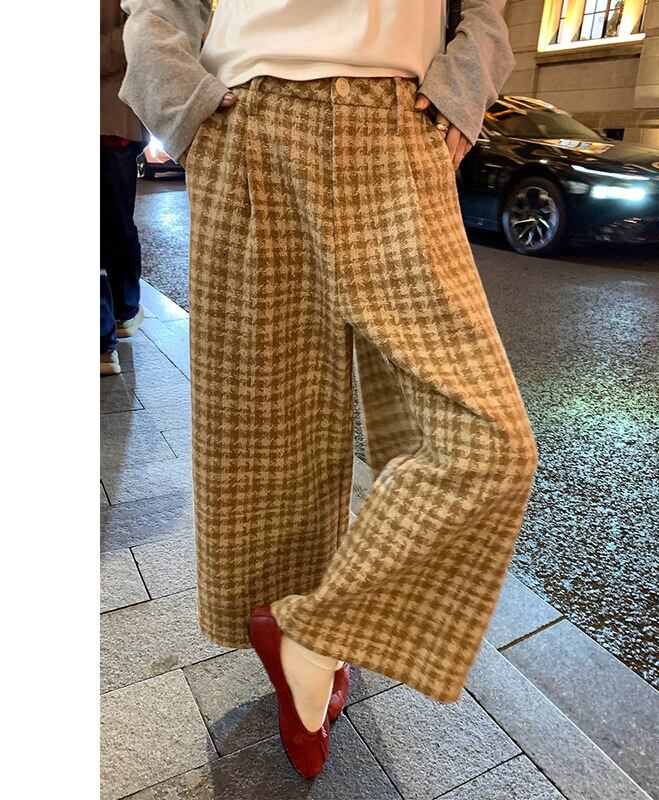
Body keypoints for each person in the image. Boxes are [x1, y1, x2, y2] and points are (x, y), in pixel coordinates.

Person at [119, 0, 538, 777]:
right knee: (276, 439)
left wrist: (465, 84)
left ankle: (310, 634)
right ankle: (307, 662)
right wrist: (182, 100)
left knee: (489, 441)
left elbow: (487, 6)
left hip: (397, 121)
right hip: (247, 121)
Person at [100, 0, 146, 375]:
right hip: (113, 125)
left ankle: (122, 314)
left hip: (115, 128)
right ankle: (113, 324)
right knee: (115, 227)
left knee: (117, 227)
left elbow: (130, 46)